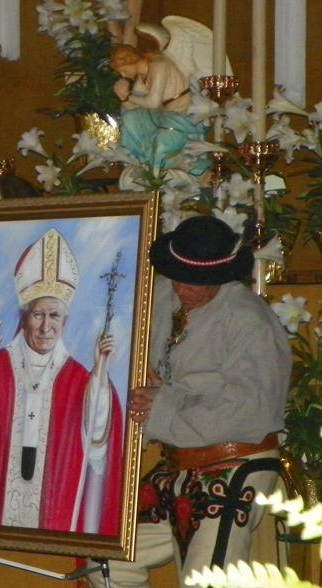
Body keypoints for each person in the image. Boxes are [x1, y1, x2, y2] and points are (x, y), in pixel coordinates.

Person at [88, 216, 292, 588]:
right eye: (177, 275)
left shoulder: (250, 319)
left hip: (234, 463)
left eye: (196, 280)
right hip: (178, 464)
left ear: (224, 274)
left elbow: (255, 409)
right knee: (105, 559)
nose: (184, 288)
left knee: (206, 582)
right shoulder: (161, 295)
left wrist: (161, 403)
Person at [0, 228, 123, 535]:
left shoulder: (78, 376)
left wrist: (99, 373)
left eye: (54, 316)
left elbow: (98, 437)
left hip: (55, 493)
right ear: (24, 317)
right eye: (38, 315)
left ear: (65, 321)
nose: (46, 326)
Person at [110, 43, 210, 179]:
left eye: (123, 70)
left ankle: (193, 165)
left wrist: (128, 95)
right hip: (165, 115)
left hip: (183, 115)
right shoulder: (142, 75)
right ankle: (136, 161)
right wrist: (123, 97)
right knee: (130, 118)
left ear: (131, 61)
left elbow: (153, 102)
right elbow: (133, 108)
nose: (123, 74)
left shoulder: (159, 65)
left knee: (159, 152)